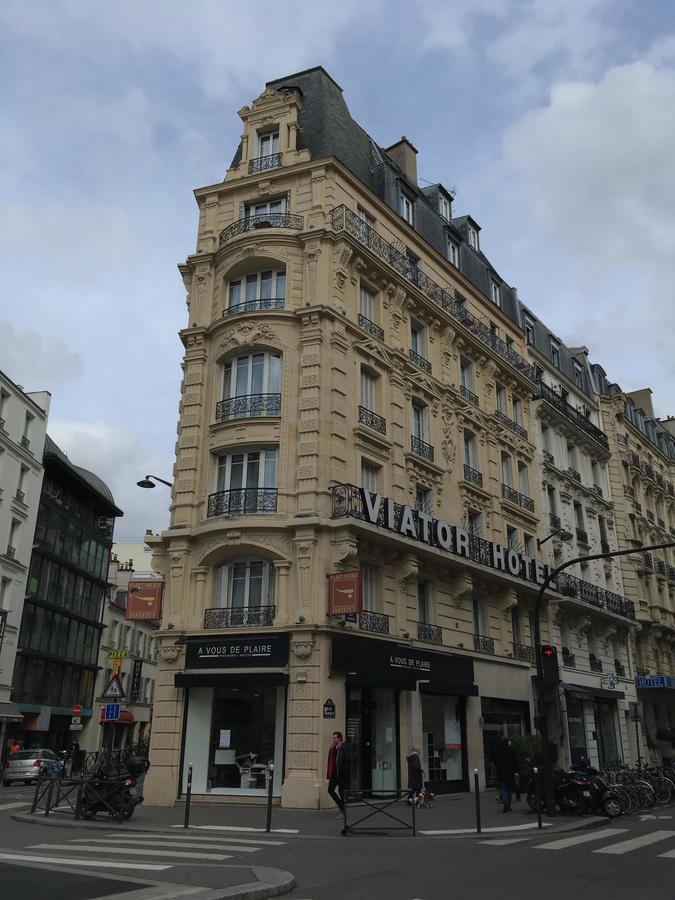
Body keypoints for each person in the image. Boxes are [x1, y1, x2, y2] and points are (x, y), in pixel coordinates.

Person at [492, 738, 519, 812]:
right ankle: (508, 805)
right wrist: (517, 771)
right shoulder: (512, 750)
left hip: (501, 772)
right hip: (510, 772)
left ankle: (505, 802)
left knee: (503, 788)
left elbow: (494, 760)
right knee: (509, 789)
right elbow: (516, 761)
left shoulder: (498, 750)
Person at [326, 731, 349, 818]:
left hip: (342, 774)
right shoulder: (333, 748)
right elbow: (330, 762)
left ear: (339, 738)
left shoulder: (344, 747)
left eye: (335, 738)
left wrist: (344, 772)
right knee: (330, 790)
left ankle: (342, 812)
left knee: (341, 792)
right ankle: (341, 806)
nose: (333, 739)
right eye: (333, 738)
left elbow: (347, 760)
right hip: (334, 774)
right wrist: (329, 775)